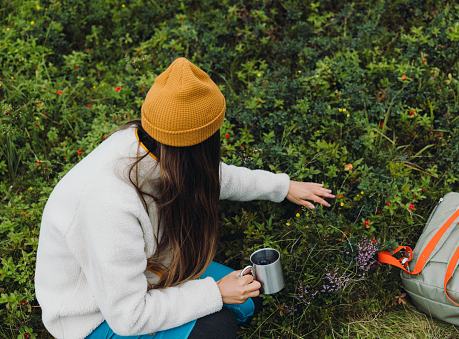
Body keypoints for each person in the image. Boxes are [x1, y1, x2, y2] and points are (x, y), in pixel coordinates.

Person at [34, 58, 335, 339]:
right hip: (95, 317)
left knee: (245, 303)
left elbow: (214, 176)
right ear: (194, 148)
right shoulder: (109, 205)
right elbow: (127, 317)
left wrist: (282, 187)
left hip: (149, 272)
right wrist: (215, 293)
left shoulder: (156, 148)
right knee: (219, 327)